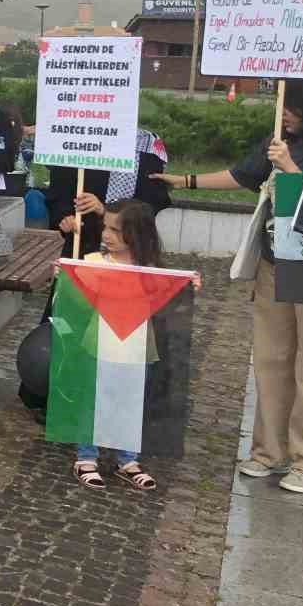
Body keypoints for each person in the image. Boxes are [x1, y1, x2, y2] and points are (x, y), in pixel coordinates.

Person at [157, 80, 303, 494]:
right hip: (276, 264)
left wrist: (291, 168)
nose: (283, 113)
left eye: (291, 106)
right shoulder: (277, 140)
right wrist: (185, 181)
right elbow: (240, 175)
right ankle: (270, 452)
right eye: (281, 105)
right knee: (272, 360)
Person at [68, 200, 192, 492]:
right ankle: (86, 457)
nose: (107, 235)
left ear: (136, 234)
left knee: (130, 401)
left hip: (136, 346)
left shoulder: (150, 270)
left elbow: (166, 294)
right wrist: (67, 274)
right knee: (94, 399)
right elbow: (76, 298)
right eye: (105, 227)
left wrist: (188, 284)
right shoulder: (93, 261)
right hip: (99, 342)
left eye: (116, 230)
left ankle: (127, 459)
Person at [48, 128, 172, 257]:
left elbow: (150, 204)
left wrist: (105, 211)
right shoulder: (77, 137)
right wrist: (65, 218)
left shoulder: (147, 146)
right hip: (80, 244)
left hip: (129, 253)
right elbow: (59, 193)